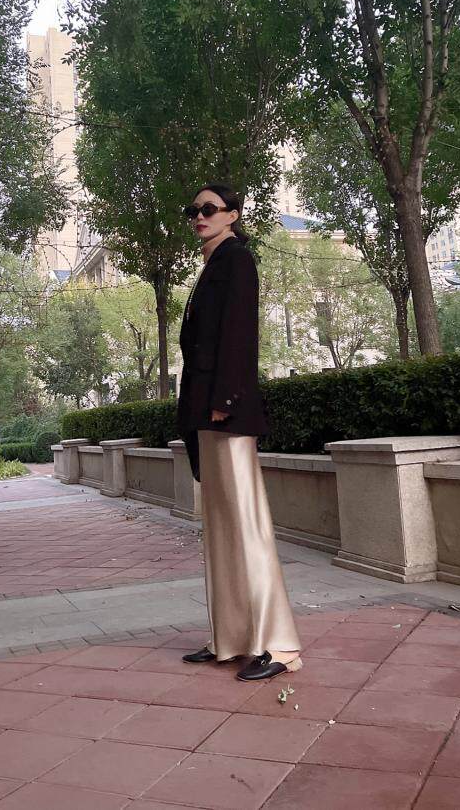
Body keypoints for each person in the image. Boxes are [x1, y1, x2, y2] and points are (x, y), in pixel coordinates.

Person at [175, 183, 302, 681]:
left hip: (225, 410)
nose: (199, 216)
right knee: (220, 527)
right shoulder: (213, 264)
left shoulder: (237, 260)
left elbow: (240, 335)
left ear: (232, 214)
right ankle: (229, 638)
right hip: (205, 410)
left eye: (209, 208)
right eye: (194, 210)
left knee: (247, 525)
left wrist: (225, 400)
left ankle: (279, 646)